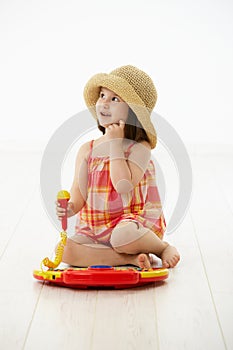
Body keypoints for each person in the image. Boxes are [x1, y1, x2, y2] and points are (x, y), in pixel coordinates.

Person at [56, 65, 180, 269]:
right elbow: (79, 194)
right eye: (102, 95)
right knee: (65, 250)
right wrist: (69, 208)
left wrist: (115, 144)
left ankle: (161, 248)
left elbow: (123, 185)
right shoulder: (87, 149)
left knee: (122, 236)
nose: (104, 103)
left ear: (133, 113)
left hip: (131, 225)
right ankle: (129, 259)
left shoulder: (139, 148)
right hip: (95, 227)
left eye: (114, 99)